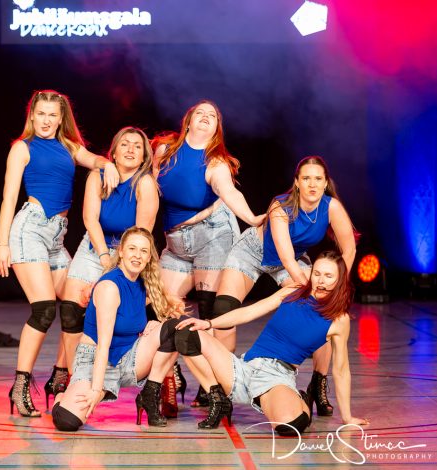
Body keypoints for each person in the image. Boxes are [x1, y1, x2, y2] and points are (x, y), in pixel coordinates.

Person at [0, 90, 120, 417]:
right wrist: (2, 243)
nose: (46, 120)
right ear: (32, 116)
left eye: (53, 115)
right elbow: (8, 198)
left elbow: (94, 160)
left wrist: (108, 165)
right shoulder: (22, 148)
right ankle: (20, 385)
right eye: (41, 114)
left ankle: (62, 375)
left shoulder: (69, 146)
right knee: (44, 310)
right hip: (30, 230)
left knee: (75, 305)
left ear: (62, 118)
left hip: (56, 235)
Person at [150, 251, 370, 434]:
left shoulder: (338, 320)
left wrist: (347, 417)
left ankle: (298, 401)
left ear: (340, 280)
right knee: (185, 331)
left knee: (290, 426)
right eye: (317, 274)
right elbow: (251, 311)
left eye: (329, 276)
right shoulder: (294, 291)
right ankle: (218, 399)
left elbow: (341, 370)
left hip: (276, 377)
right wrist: (209, 323)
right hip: (244, 367)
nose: (320, 281)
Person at [212, 156, 356, 417]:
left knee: (321, 311)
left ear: (325, 183)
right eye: (306, 178)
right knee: (223, 308)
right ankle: (221, 386)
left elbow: (349, 250)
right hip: (254, 252)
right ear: (297, 182)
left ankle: (318, 383)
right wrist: (309, 286)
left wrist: (335, 286)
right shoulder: (281, 206)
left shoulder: (331, 207)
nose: (312, 184)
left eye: (318, 179)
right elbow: (286, 258)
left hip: (291, 259)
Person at [152, 99, 265, 414]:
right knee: (161, 309)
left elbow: (230, 193)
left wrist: (252, 218)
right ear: (187, 121)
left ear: (217, 128)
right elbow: (147, 183)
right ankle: (170, 376)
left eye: (212, 115)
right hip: (176, 240)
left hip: (212, 233)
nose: (204, 117)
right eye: (199, 113)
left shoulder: (216, 163)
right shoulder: (164, 151)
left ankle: (215, 384)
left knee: (210, 313)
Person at [44, 127, 159, 408]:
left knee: (140, 312)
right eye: (125, 144)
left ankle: (158, 382)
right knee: (71, 309)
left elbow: (141, 236)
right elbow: (90, 219)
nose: (130, 149)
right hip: (95, 245)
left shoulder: (145, 184)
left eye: (137, 146)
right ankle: (72, 374)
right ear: (114, 152)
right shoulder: (97, 176)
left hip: (130, 250)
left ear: (144, 156)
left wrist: (113, 268)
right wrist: (104, 257)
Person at [51, 227, 180, 432]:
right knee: (67, 421)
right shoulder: (109, 286)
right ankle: (61, 396)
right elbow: (103, 345)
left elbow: (165, 309)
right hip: (96, 360)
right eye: (132, 248)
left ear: (149, 258)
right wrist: (97, 390)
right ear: (121, 251)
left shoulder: (142, 285)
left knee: (176, 329)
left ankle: (149, 394)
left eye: (144, 251)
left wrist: (154, 323)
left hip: (128, 358)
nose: (137, 255)